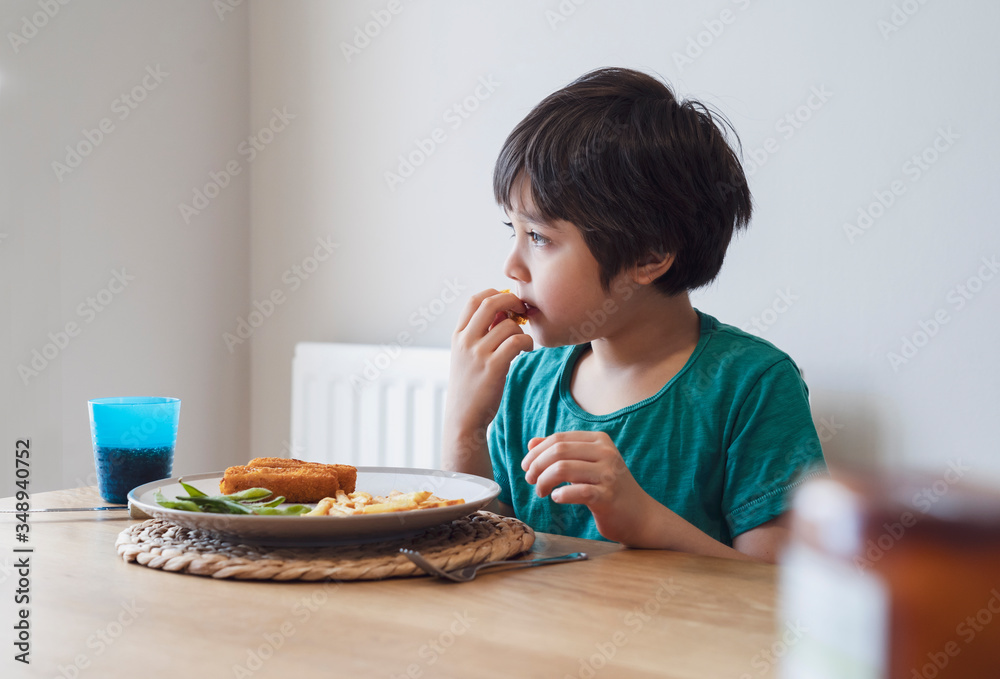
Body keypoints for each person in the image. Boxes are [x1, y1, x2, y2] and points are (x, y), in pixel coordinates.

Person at [441, 67, 826, 563]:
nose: (511, 266)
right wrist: (464, 427)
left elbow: (779, 589)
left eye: (538, 237)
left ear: (649, 256)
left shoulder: (753, 385)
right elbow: (478, 556)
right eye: (510, 231)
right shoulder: (525, 383)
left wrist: (646, 521)